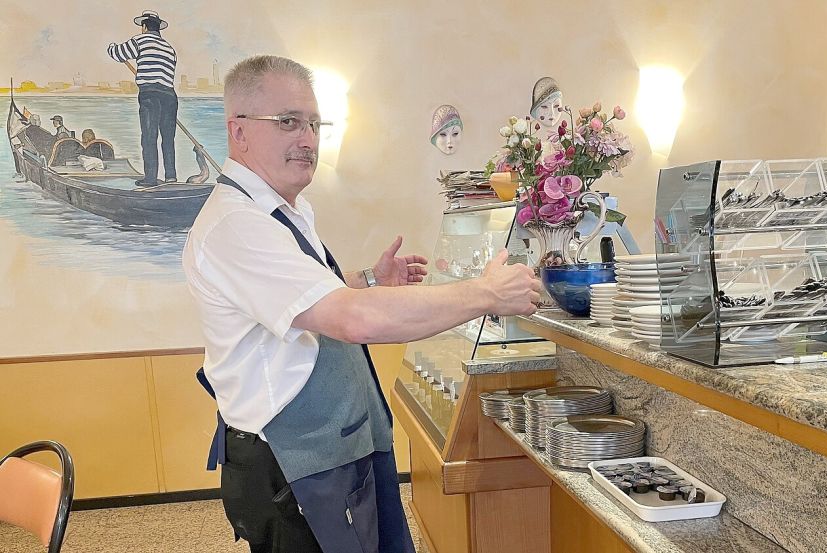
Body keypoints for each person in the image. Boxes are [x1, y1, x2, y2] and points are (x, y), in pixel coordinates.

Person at [182, 55, 541, 553]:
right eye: (287, 121)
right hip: (294, 464)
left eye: (313, 123)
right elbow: (350, 317)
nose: (308, 139)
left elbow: (306, 293)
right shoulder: (237, 225)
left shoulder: (285, 210)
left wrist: (370, 278)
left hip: (333, 450)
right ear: (237, 131)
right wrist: (486, 294)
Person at [107, 10, 178, 187]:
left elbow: (117, 53)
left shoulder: (141, 40)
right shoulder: (170, 49)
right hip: (170, 96)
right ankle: (171, 177)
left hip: (150, 95)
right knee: (168, 139)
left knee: (149, 137)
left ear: (144, 26)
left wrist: (111, 46)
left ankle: (151, 179)